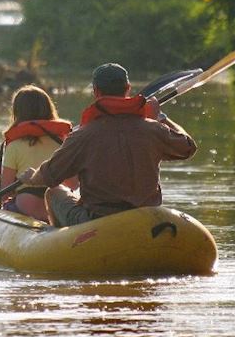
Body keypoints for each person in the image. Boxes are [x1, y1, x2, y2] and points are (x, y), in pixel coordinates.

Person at [18, 63, 197, 227]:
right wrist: (161, 118)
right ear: (127, 89)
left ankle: (62, 247)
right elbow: (188, 147)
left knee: (54, 192)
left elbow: (49, 176)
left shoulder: (82, 136)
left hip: (98, 222)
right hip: (146, 217)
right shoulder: (153, 129)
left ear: (96, 92)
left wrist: (32, 177)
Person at [0, 85, 75, 221]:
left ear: (17, 113)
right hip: (56, 208)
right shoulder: (63, 143)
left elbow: (4, 193)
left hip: (26, 208)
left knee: (5, 204)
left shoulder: (14, 146)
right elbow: (73, 184)